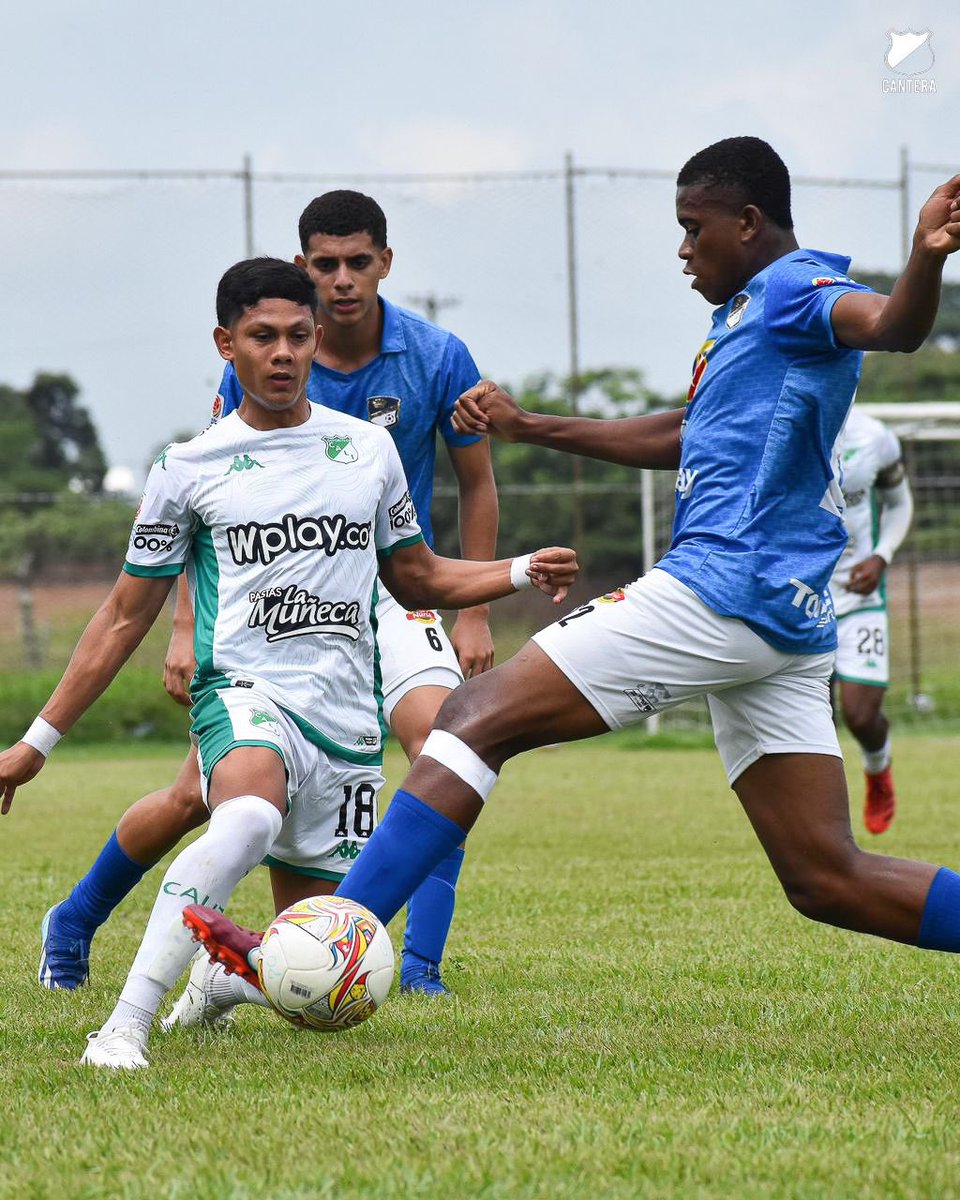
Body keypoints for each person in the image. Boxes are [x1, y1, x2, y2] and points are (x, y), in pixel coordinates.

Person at [184, 140, 960, 1009]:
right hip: (785, 621)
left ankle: (328, 948)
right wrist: (532, 425)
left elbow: (892, 325)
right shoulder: (745, 314)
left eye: (691, 229)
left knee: (472, 715)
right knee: (827, 878)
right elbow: (684, 435)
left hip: (723, 589)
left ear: (746, 224)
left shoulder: (793, 291)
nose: (681, 250)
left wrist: (924, 256)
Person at [0, 258, 576, 1069]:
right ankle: (123, 1026)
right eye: (262, 337)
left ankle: (227, 979)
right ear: (225, 344)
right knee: (245, 813)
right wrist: (36, 744)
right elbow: (124, 613)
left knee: (321, 959)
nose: (282, 353)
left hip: (344, 719)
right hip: (242, 693)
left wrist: (516, 571)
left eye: (297, 337)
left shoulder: (366, 450)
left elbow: (414, 577)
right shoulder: (187, 465)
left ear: (314, 341)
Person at [38, 190, 498, 999]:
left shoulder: (436, 355)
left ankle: (417, 965)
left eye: (359, 262)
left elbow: (478, 485)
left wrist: (477, 609)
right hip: (270, 611)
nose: (344, 278)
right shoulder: (253, 361)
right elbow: (208, 517)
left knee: (446, 752)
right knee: (195, 798)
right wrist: (186, 626)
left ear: (385, 264)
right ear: (302, 268)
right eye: (327, 264)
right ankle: (76, 919)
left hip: (394, 588)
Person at [832, 406, 914, 835]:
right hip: (795, 595)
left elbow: (899, 504)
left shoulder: (874, 437)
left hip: (859, 595)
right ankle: (821, 821)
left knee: (860, 716)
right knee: (809, 717)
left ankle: (878, 771)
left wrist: (881, 556)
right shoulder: (783, 424)